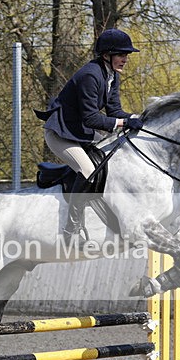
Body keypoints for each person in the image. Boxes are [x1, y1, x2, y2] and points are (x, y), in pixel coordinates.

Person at [36, 28, 144, 245]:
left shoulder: (111, 75)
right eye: (121, 54)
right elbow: (91, 119)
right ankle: (71, 230)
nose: (125, 59)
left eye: (127, 55)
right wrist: (124, 123)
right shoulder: (90, 75)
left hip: (79, 132)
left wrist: (138, 117)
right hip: (61, 134)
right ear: (107, 54)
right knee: (89, 170)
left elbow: (114, 112)